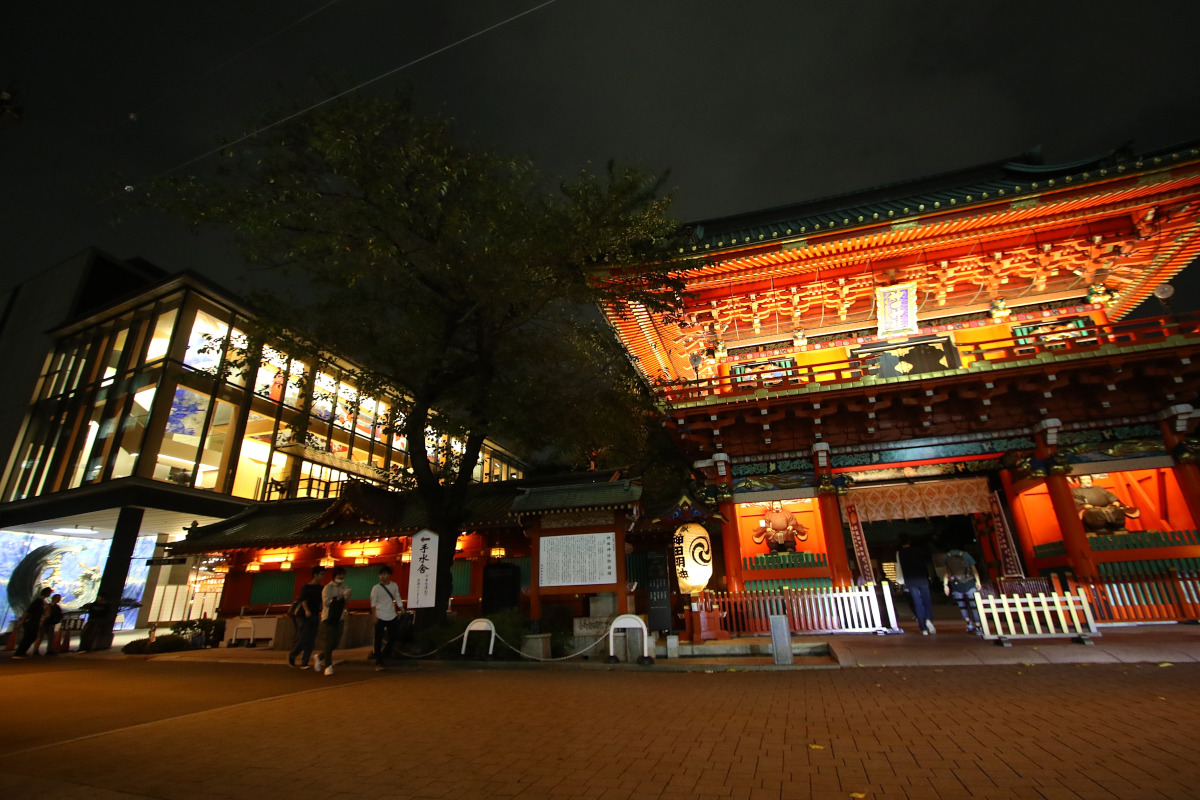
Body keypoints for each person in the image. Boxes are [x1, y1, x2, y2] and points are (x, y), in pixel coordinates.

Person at [895, 535, 936, 635]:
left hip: (910, 580)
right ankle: (928, 618)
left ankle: (923, 628)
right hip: (922, 578)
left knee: (917, 603)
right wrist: (929, 576)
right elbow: (925, 564)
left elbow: (898, 567)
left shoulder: (900, 553)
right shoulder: (919, 551)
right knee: (927, 600)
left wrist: (900, 581)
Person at [1072, 474, 1138, 535]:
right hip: (1091, 509)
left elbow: (1109, 495)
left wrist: (1114, 501)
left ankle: (1119, 527)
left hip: (1107, 507)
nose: (1087, 481)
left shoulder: (1098, 488)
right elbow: (1076, 500)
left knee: (1117, 509)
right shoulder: (1075, 490)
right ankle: (1099, 529)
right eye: (1084, 479)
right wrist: (1084, 505)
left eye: (1088, 479)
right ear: (1080, 481)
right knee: (1093, 512)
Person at [315, 566, 351, 676]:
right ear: (334, 576)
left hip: (339, 618)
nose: (341, 579)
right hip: (328, 618)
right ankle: (328, 666)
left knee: (335, 643)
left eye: (343, 577)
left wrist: (347, 596)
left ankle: (320, 656)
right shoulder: (328, 588)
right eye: (339, 577)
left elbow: (345, 603)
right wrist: (340, 596)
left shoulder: (345, 587)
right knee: (329, 642)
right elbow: (326, 603)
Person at [287, 566, 325, 669]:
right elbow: (304, 600)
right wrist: (307, 610)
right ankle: (293, 654)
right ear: (315, 575)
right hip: (304, 615)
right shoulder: (306, 587)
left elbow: (322, 601)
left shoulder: (321, 588)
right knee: (304, 637)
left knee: (312, 639)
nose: (322, 576)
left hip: (315, 614)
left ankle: (305, 661)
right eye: (321, 574)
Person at [369, 565, 405, 671]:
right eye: (381, 574)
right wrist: (374, 615)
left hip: (391, 614)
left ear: (389, 575)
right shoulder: (376, 588)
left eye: (385, 574)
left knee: (394, 635)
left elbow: (397, 597)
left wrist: (402, 608)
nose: (382, 576)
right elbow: (373, 603)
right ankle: (379, 662)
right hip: (380, 615)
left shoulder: (394, 585)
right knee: (378, 639)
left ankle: (385, 653)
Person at [941, 549, 982, 634]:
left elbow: (945, 572)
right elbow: (974, 569)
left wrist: (945, 585)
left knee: (961, 604)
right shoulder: (966, 555)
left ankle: (969, 624)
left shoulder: (947, 557)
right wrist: (978, 581)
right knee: (973, 604)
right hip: (969, 583)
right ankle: (978, 626)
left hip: (956, 584)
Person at [12, 587, 52, 660]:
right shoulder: (38, 601)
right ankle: (19, 652)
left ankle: (22, 651)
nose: (50, 594)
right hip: (31, 622)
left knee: (32, 636)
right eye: (50, 592)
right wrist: (22, 621)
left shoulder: (42, 602)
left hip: (35, 622)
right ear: (47, 593)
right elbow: (28, 611)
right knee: (28, 637)